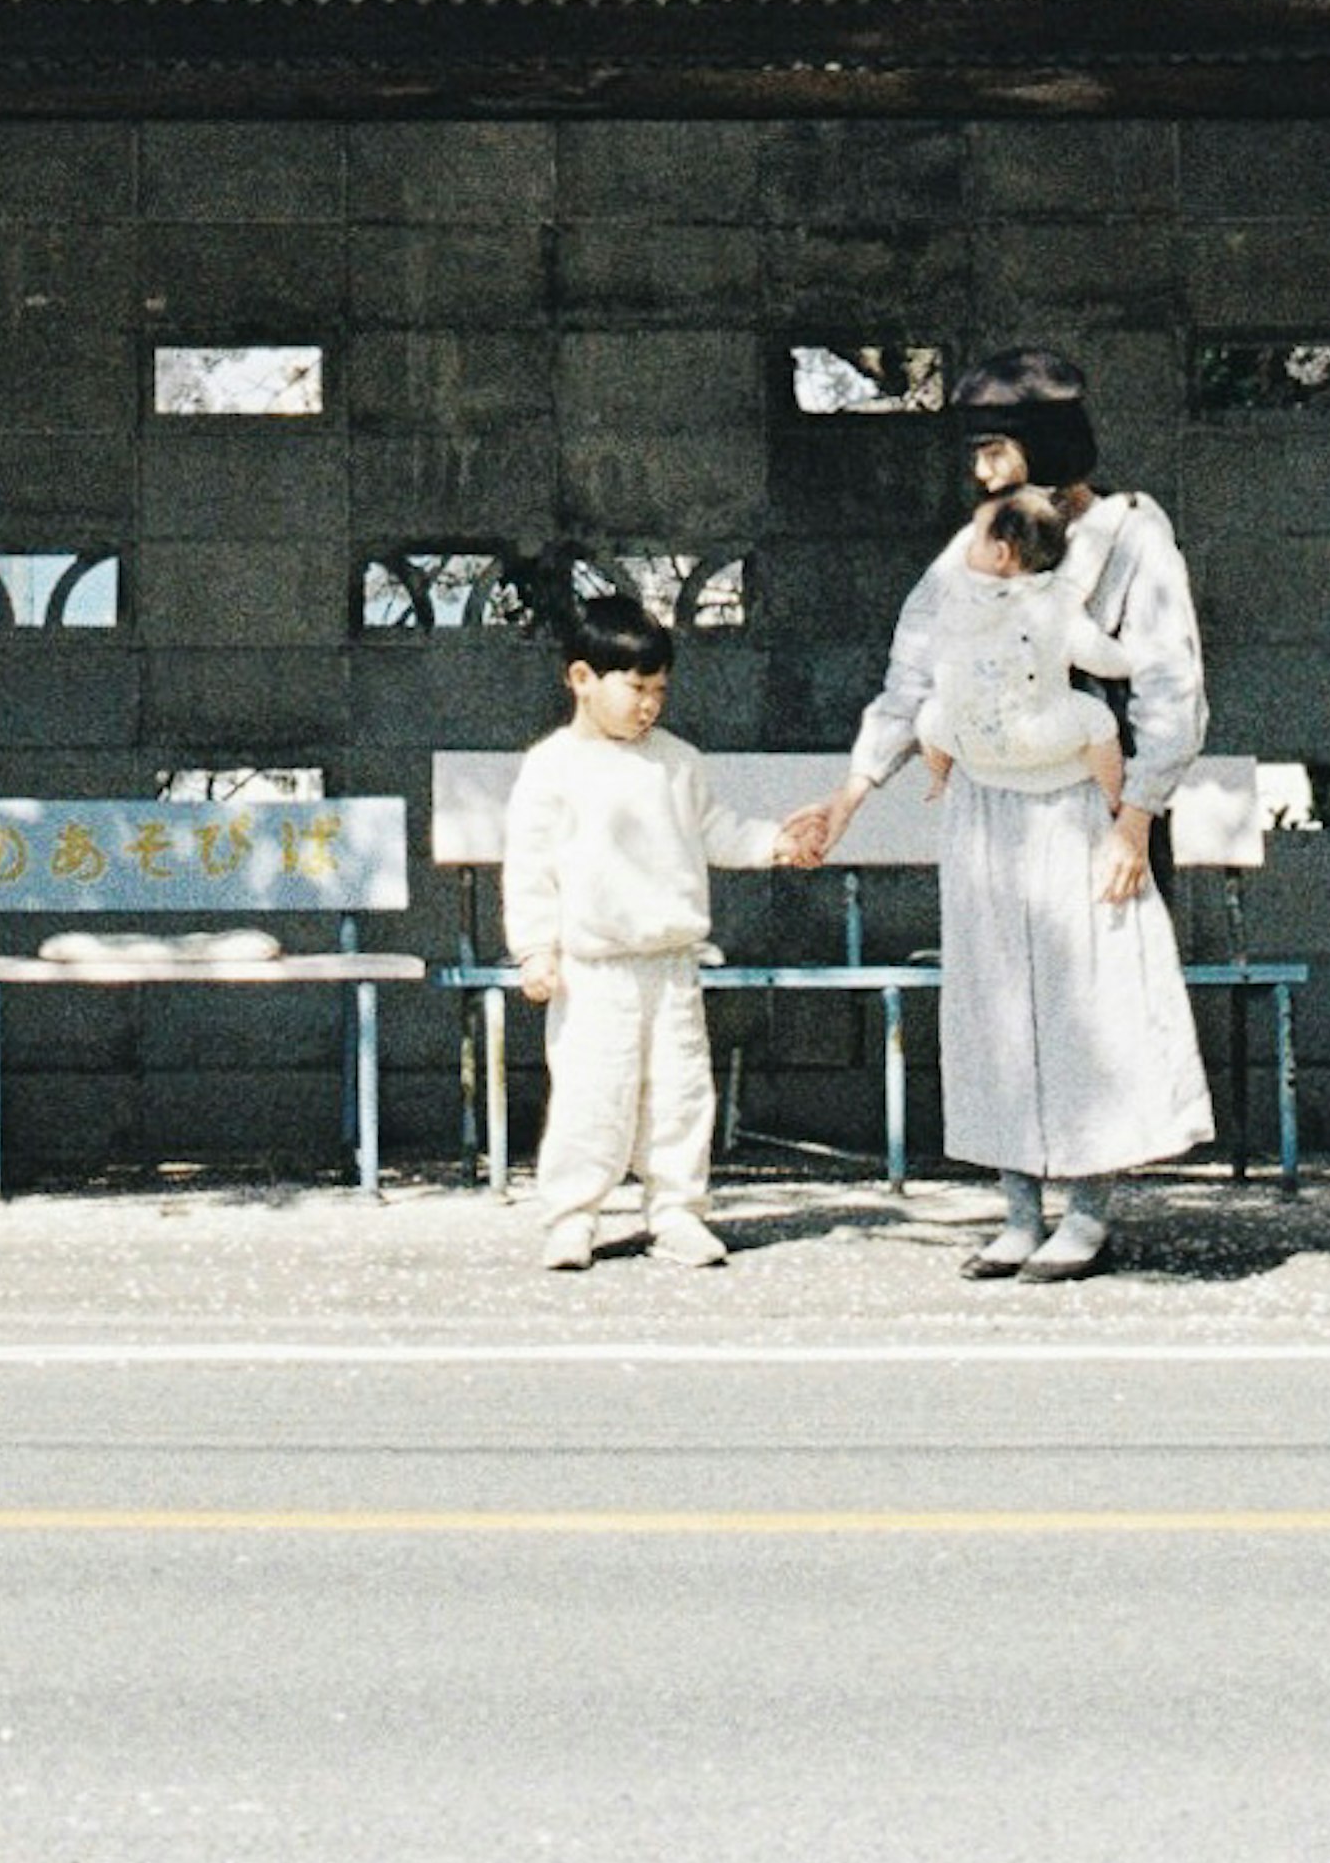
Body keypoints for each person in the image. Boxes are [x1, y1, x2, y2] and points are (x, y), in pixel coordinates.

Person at [781, 344, 1211, 1280]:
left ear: (1046, 440)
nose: (978, 468)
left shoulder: (1131, 534)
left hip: (1079, 807)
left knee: (1086, 1002)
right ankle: (1018, 1207)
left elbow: (1169, 682)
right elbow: (915, 676)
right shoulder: (971, 546)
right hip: (985, 808)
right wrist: (852, 793)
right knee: (994, 1003)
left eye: (996, 446)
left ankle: (1087, 1212)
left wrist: (1137, 815)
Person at [501, 597, 795, 1273]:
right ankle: (572, 1215)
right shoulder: (552, 766)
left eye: (658, 689)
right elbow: (530, 865)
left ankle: (677, 1212)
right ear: (581, 678)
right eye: (635, 687)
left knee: (681, 1091)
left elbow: (716, 829)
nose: (648, 704)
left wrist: (777, 843)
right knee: (589, 1093)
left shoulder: (678, 762)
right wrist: (535, 948)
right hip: (593, 965)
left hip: (671, 962)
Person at [914, 482, 1126, 813]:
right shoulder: (1057, 601)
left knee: (927, 714)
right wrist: (1136, 661)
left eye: (974, 537)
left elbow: (930, 651)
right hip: (1040, 737)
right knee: (1098, 720)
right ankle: (1114, 797)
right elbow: (1096, 656)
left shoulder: (956, 596)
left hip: (966, 738)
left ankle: (939, 777)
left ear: (1000, 554)